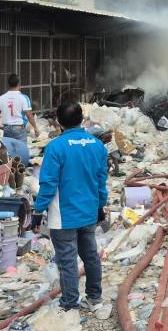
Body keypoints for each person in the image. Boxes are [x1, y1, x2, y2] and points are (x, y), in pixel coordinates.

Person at [33, 102, 109, 312]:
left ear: (58, 121)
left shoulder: (55, 147)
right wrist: (100, 207)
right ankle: (95, 298)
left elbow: (48, 184)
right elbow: (101, 182)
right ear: (82, 118)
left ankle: (70, 303)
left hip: (63, 216)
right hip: (89, 212)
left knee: (67, 261)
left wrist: (38, 211)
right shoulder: (97, 145)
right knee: (91, 256)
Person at [0, 74, 37, 164]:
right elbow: (29, 115)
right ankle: (21, 170)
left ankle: (10, 170)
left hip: (6, 128)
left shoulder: (1, 98)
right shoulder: (23, 98)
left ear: (8, 84)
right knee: (21, 151)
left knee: (9, 151)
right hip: (19, 129)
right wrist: (36, 128)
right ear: (19, 83)